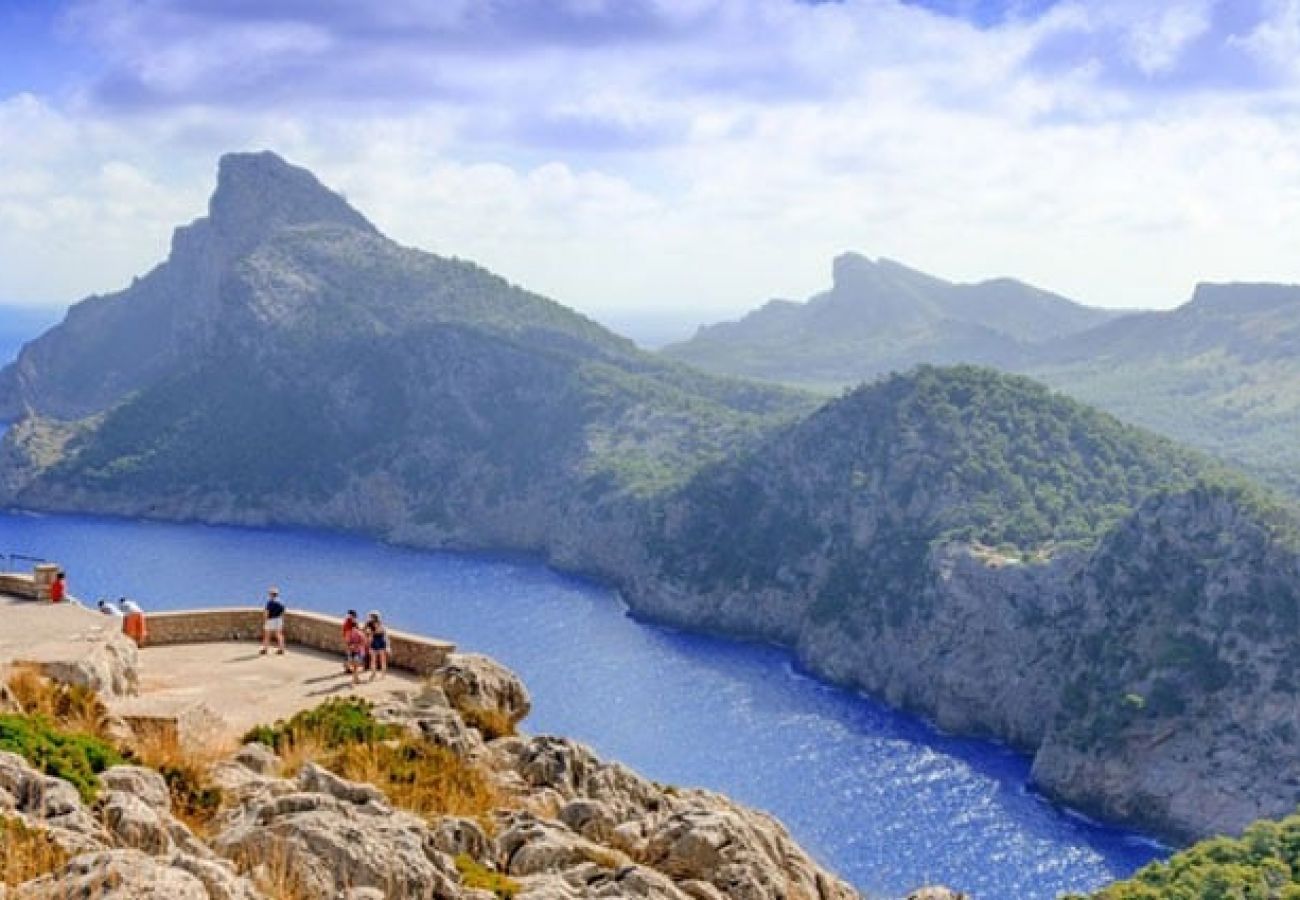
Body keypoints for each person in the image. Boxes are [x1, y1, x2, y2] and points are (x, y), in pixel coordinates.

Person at [260, 587, 286, 656]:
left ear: (271, 594)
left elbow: (266, 613)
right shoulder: (281, 602)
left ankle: (265, 649)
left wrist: (265, 621)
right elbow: (283, 613)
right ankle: (281, 649)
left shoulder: (270, 603)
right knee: (279, 635)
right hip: (278, 619)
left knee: (267, 635)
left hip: (270, 620)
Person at [365, 611, 389, 681]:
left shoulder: (373, 624)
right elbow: (384, 634)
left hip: (378, 641)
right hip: (378, 641)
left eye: (371, 617)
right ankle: (377, 674)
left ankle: (378, 674)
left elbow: (369, 632)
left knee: (379, 659)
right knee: (377, 659)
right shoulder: (373, 624)